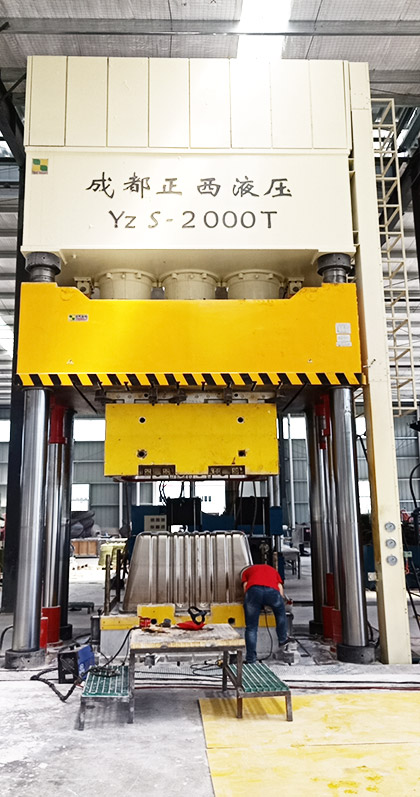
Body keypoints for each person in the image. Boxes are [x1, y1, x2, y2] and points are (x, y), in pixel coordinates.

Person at [241, 563, 287, 664]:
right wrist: (281, 600)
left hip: (254, 591)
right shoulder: (273, 570)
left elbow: (245, 586)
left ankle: (251, 659)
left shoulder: (246, 571)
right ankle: (282, 639)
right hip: (272, 592)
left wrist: (249, 601)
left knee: (251, 628)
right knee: (280, 613)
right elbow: (280, 587)